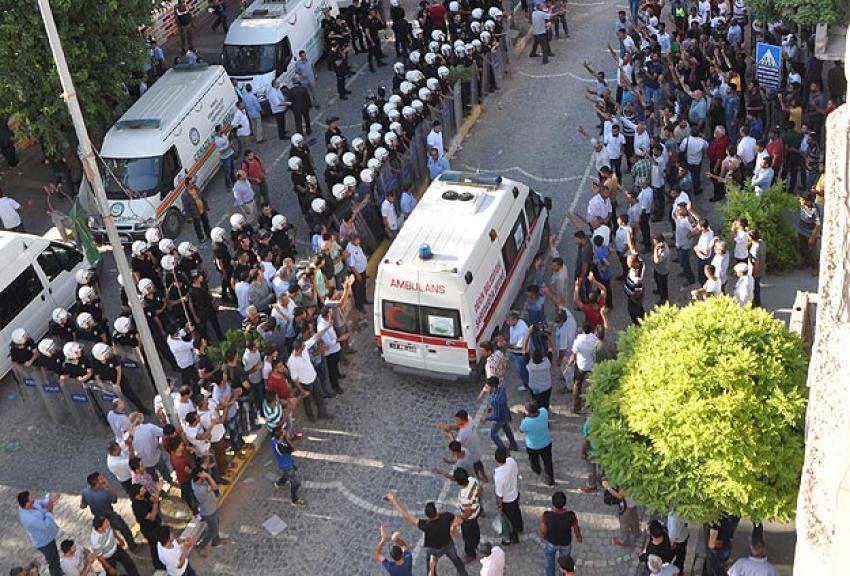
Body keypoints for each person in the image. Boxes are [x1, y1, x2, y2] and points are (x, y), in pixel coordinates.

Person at [386, 490, 469, 576]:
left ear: (426, 515)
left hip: (433, 550)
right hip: (448, 544)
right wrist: (453, 528)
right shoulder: (446, 516)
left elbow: (406, 516)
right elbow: (459, 521)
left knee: (431, 568)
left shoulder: (426, 525)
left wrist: (394, 500)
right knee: (456, 560)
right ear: (436, 511)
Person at [79, 472, 138, 552]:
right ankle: (133, 547)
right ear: (97, 483)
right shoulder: (104, 493)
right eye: (100, 478)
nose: (103, 478)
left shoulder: (85, 492)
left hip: (99, 518)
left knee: (109, 534)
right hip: (110, 516)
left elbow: (83, 505)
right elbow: (114, 499)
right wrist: (108, 485)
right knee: (124, 530)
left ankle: (118, 543)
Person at [17, 491, 62, 576]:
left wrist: (50, 500)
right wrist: (49, 511)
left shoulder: (31, 504)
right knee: (53, 562)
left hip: (48, 536)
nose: (34, 500)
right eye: (32, 501)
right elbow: (44, 525)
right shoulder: (29, 519)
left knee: (55, 557)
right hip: (45, 541)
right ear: (26, 504)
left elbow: (40, 503)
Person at [541, 491, 582, 576]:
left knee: (549, 561)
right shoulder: (570, 515)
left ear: (553, 503)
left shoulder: (547, 515)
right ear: (564, 503)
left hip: (551, 542)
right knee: (565, 563)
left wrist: (544, 536)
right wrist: (578, 536)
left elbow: (543, 530)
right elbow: (576, 527)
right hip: (565, 543)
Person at [192, 466, 228, 556]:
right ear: (199, 476)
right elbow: (215, 487)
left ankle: (216, 541)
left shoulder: (196, 482)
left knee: (216, 524)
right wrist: (208, 476)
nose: (204, 473)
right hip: (208, 512)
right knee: (213, 530)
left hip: (211, 508)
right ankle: (201, 546)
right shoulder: (200, 490)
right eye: (202, 473)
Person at [567, 322, 600, 413]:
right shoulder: (594, 339)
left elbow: (573, 355)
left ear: (582, 329)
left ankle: (576, 406)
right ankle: (591, 405)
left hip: (581, 365)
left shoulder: (578, 341)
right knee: (593, 385)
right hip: (592, 364)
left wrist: (569, 363)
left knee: (577, 385)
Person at [520, 401, 555, 486]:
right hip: (546, 443)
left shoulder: (526, 422)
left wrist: (524, 417)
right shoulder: (543, 412)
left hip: (533, 446)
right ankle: (550, 479)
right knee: (548, 462)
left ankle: (538, 471)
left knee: (534, 461)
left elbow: (521, 430)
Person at [481, 376, 518, 452]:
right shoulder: (502, 389)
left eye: (488, 387)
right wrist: (492, 406)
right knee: (507, 429)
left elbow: (496, 416)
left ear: (493, 387)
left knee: (493, 435)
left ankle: (504, 451)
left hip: (500, 419)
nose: (486, 388)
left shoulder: (496, 401)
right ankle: (513, 445)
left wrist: (486, 418)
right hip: (505, 414)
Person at [494, 447, 522, 545]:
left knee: (509, 520)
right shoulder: (511, 461)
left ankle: (512, 538)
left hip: (507, 500)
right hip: (514, 493)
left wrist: (499, 505)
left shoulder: (499, 476)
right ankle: (520, 528)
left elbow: (499, 494)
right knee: (517, 512)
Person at [272, 426, 305, 506]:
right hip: (287, 466)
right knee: (296, 483)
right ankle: (294, 500)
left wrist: (293, 437)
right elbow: (294, 449)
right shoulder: (281, 448)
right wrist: (287, 438)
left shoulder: (273, 439)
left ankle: (279, 483)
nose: (285, 431)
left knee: (286, 475)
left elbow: (286, 440)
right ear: (281, 436)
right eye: (283, 431)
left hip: (283, 463)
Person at [797, 192, 822, 276]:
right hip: (801, 231)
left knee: (812, 251)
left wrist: (812, 236)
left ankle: (815, 267)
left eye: (801, 199)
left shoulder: (814, 210)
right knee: (803, 248)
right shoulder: (802, 205)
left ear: (807, 201)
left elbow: (818, 225)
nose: (800, 200)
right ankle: (806, 262)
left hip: (810, 233)